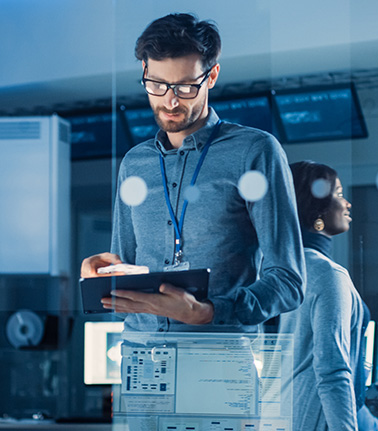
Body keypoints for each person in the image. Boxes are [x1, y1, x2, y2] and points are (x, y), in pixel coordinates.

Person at [81, 13, 305, 333]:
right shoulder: (134, 164)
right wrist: (104, 274)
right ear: (145, 72)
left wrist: (208, 311)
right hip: (142, 359)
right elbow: (125, 279)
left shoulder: (255, 151)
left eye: (186, 87)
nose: (170, 100)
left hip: (218, 361)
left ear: (211, 76)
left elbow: (288, 281)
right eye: (157, 84)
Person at [279, 160, 378, 431]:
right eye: (339, 194)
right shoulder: (328, 275)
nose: (348, 204)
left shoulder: (288, 272)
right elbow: (332, 373)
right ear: (317, 209)